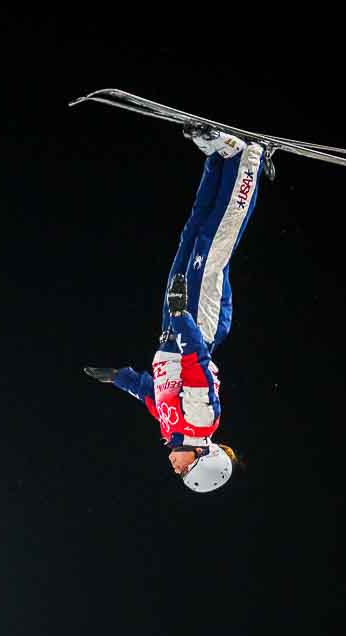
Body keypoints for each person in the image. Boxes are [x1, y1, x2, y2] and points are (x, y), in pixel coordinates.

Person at [84, 126, 268, 492]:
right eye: (184, 472)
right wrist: (183, 315)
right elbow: (195, 361)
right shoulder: (201, 421)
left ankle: (217, 160)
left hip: (175, 325)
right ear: (201, 458)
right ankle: (249, 161)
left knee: (193, 234)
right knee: (215, 240)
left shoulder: (173, 429)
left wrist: (118, 377)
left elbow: (150, 393)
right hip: (198, 323)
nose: (175, 469)